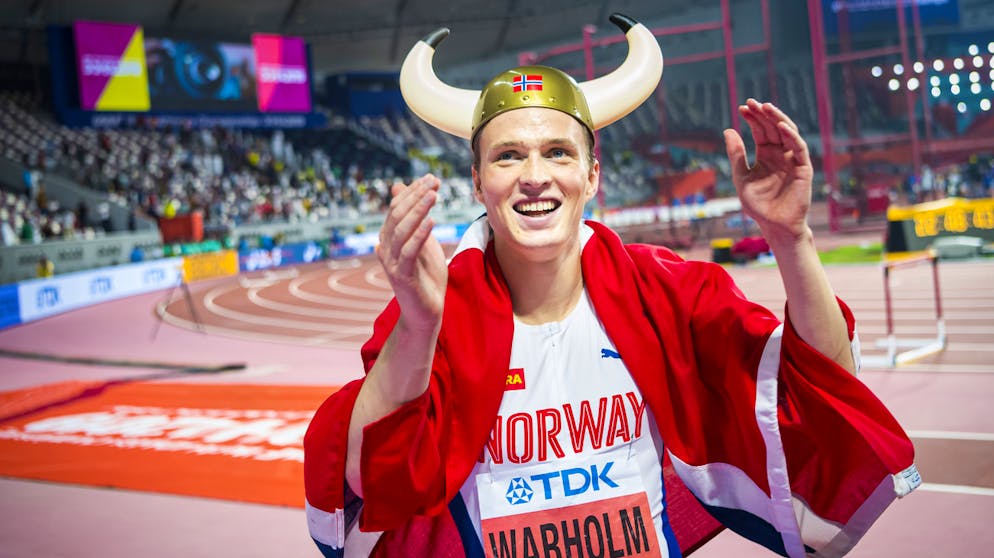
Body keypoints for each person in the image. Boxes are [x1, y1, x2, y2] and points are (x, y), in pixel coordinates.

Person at [305, 14, 919, 558]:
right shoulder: (432, 314)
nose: (535, 177)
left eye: (558, 153)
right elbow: (364, 474)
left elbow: (823, 383)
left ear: (593, 173)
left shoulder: (664, 292)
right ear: (476, 181)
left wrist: (792, 239)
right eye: (508, 156)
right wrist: (417, 324)